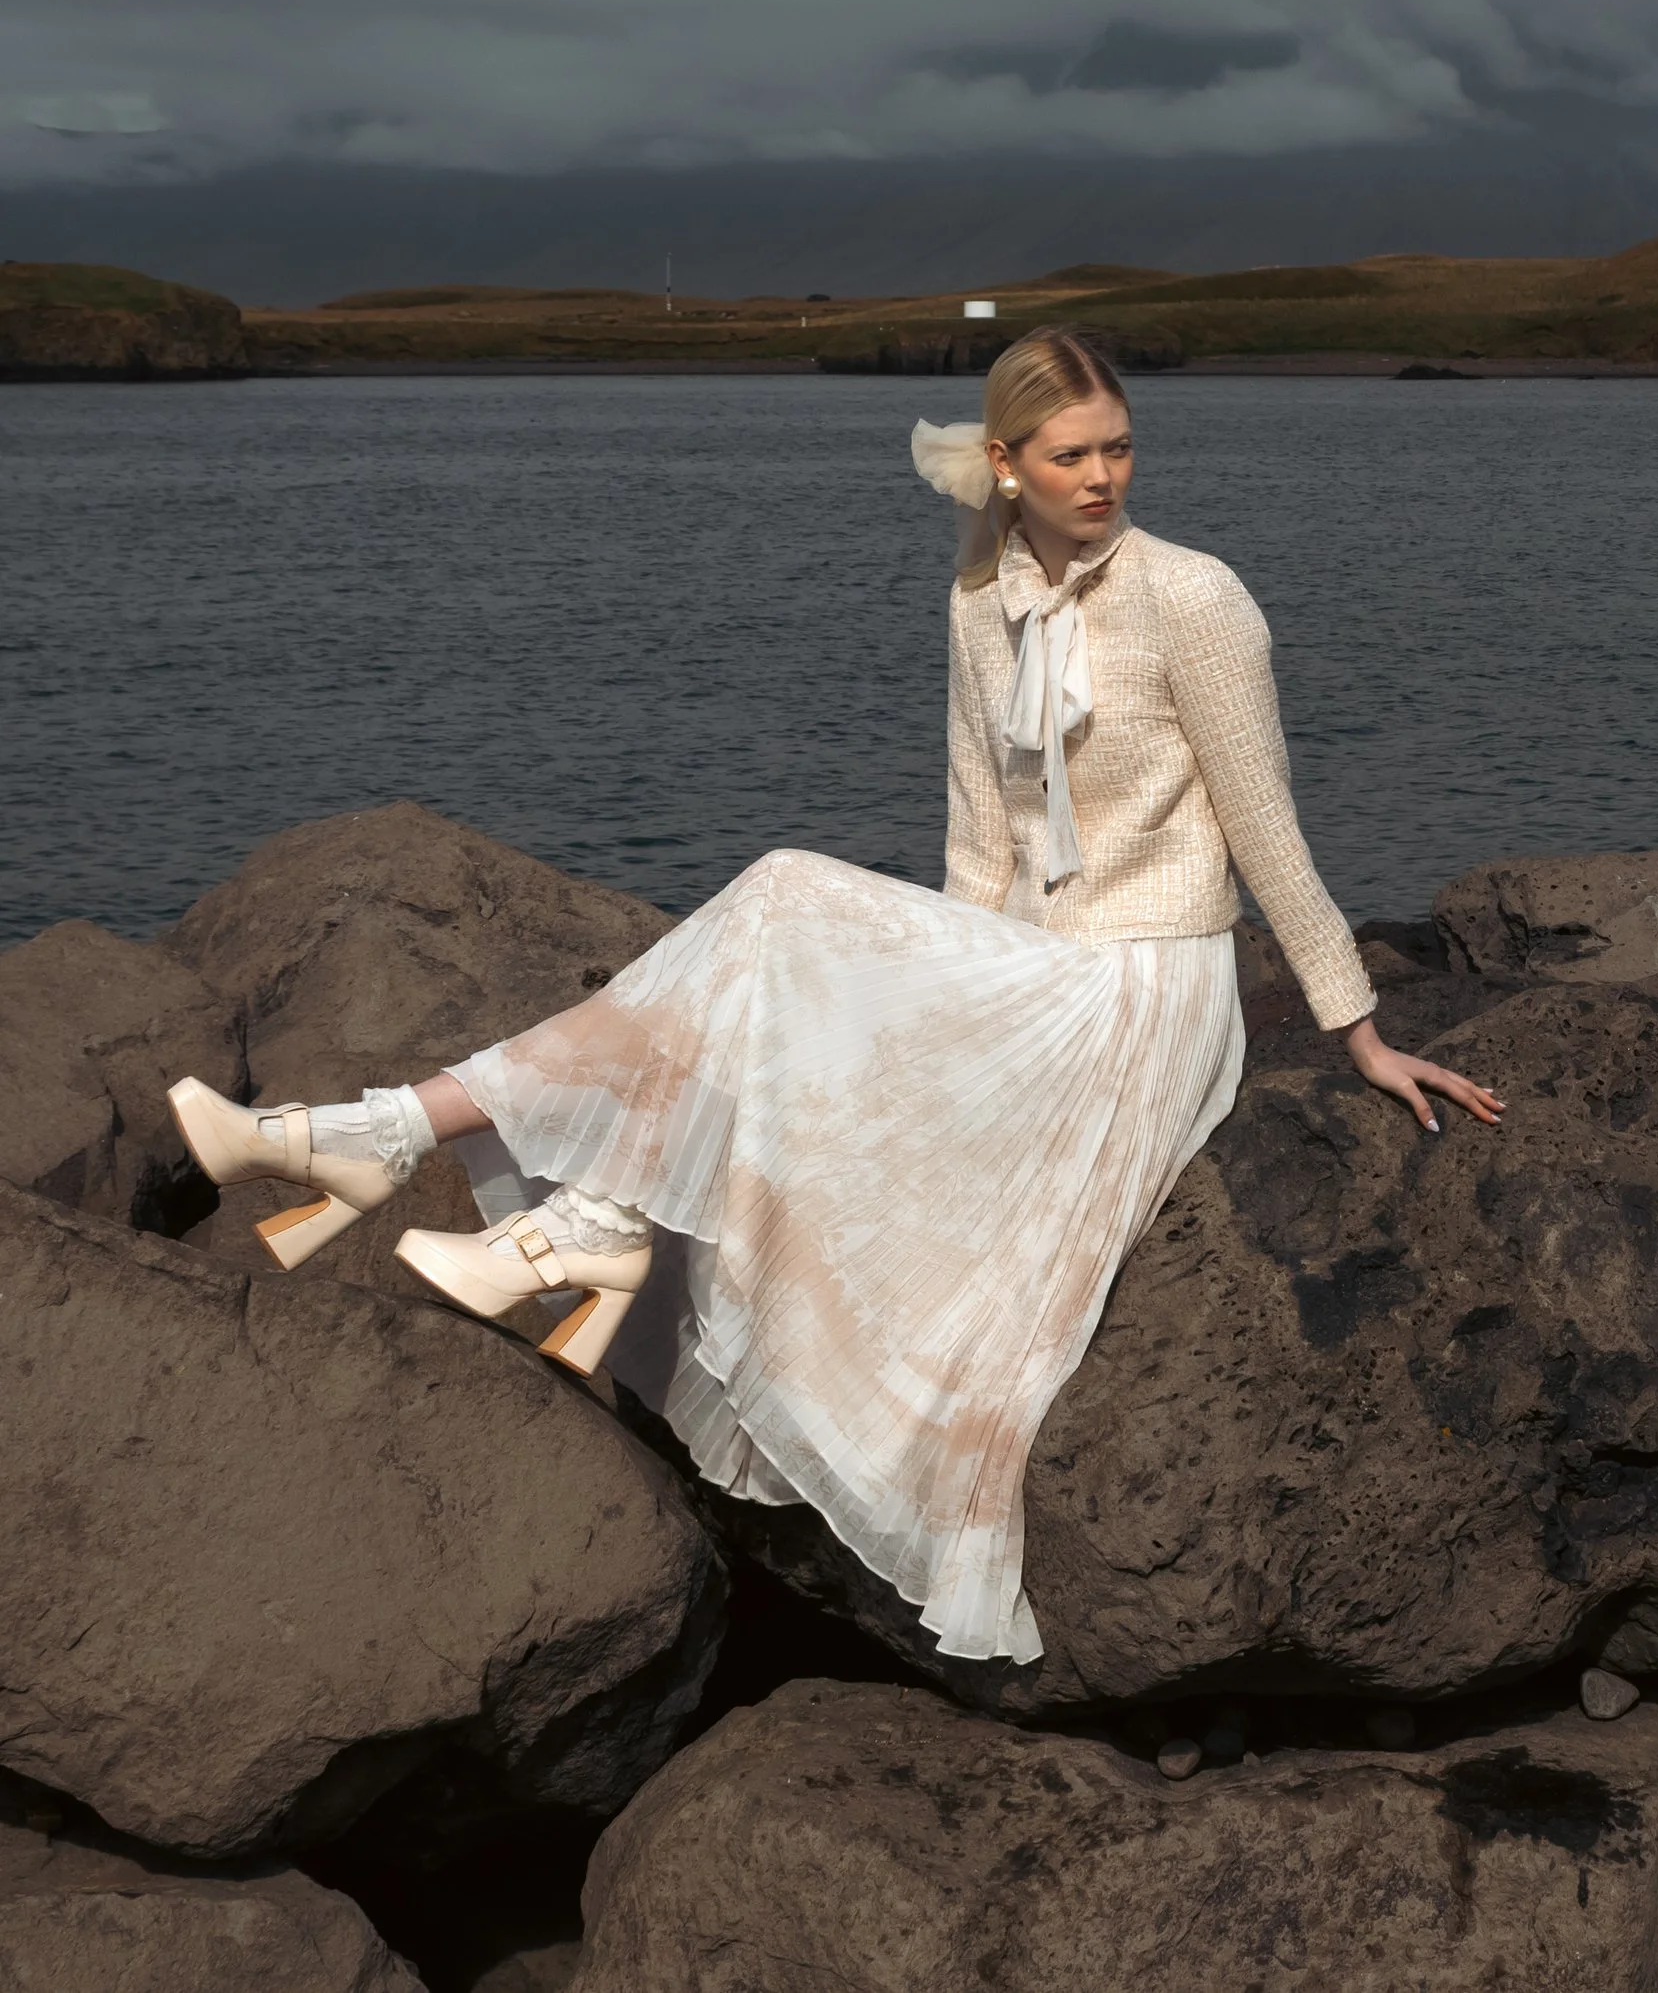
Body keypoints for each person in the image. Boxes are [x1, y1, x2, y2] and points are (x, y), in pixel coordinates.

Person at [166, 326, 1500, 1666]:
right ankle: (491, 1185)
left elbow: (1267, 829)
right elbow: (979, 841)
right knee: (785, 957)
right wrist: (939, 1003)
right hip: (1025, 970)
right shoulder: (981, 601)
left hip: (1147, 990)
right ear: (1007, 465)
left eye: (1119, 448)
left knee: (781, 897)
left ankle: (419, 1153)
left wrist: (1358, 1027)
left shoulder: (1197, 600)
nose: (1104, 476)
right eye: (1071, 455)